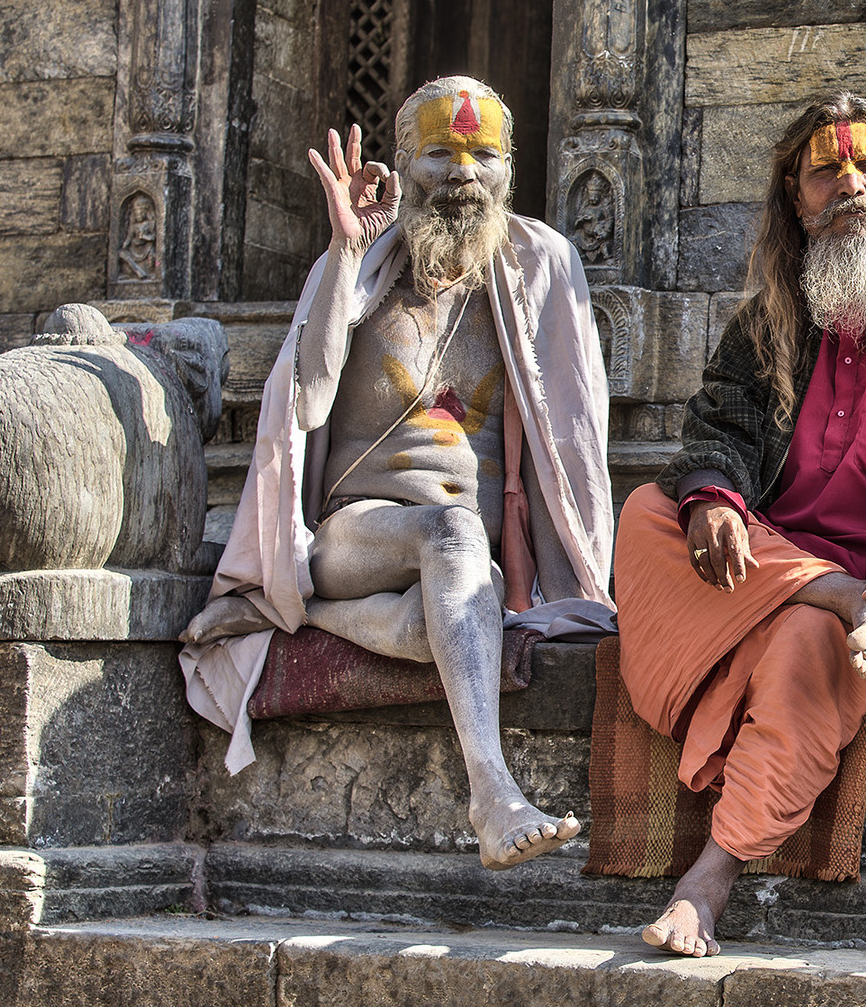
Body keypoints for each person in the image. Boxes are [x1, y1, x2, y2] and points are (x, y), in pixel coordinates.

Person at [612, 93, 866, 956]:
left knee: (807, 643)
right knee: (648, 512)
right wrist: (713, 502)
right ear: (795, 202)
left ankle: (709, 878)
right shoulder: (769, 314)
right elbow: (718, 427)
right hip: (775, 559)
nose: (850, 185)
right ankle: (834, 595)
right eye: (825, 172)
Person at [178, 76, 615, 870]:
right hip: (356, 538)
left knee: (456, 616)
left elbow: (574, 427)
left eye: (483, 155)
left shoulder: (539, 267)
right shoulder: (365, 271)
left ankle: (299, 615)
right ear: (404, 162)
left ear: (508, 167)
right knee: (451, 535)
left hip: (464, 566)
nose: (462, 175)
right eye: (440, 154)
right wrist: (344, 254)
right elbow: (304, 401)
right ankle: (494, 795)